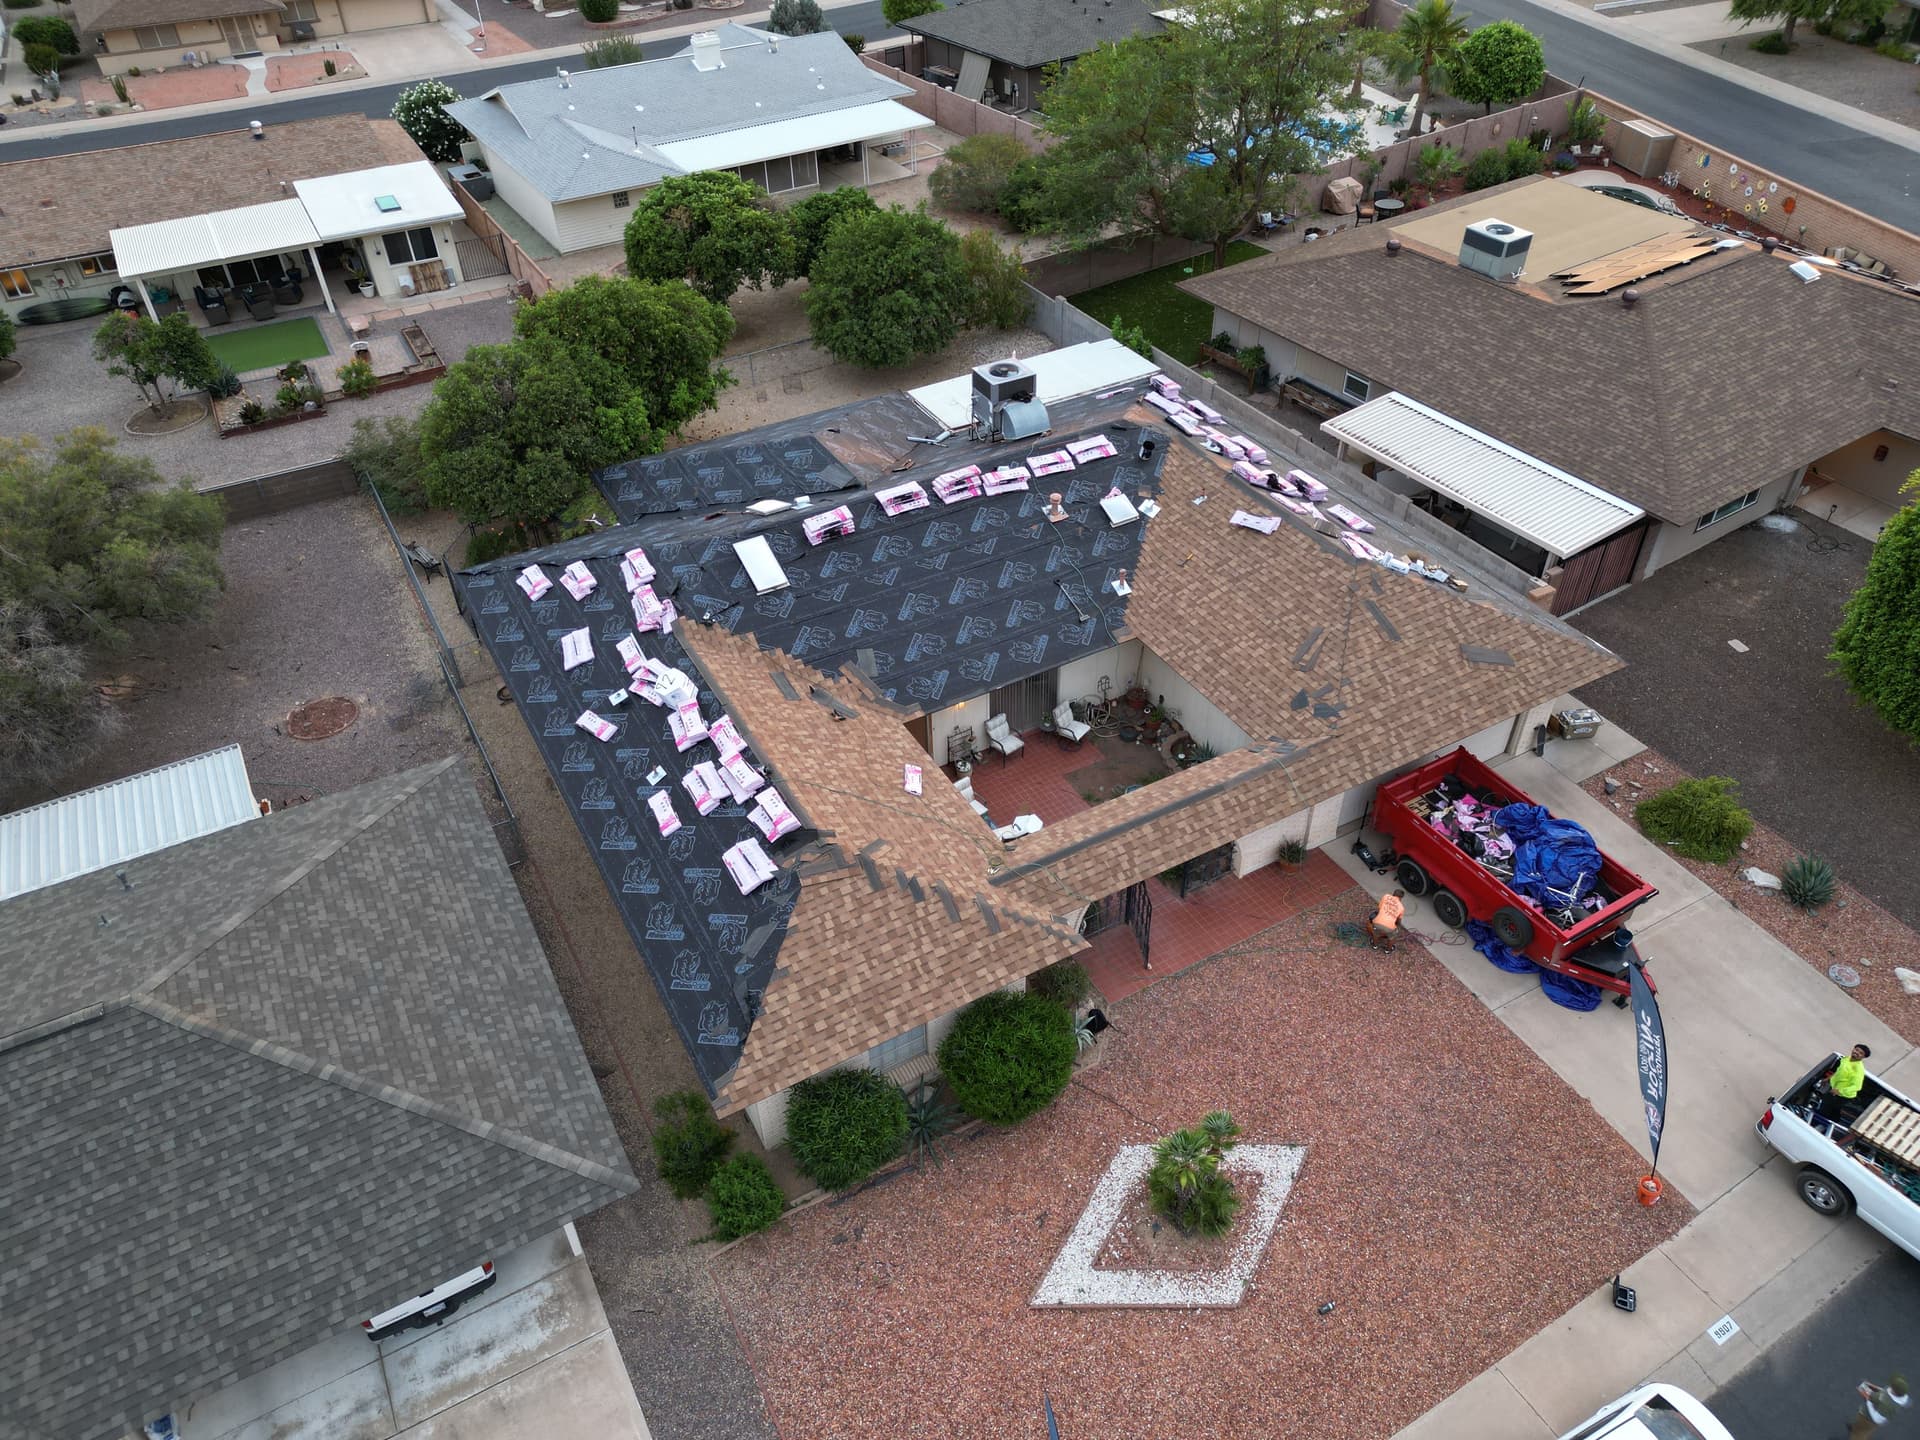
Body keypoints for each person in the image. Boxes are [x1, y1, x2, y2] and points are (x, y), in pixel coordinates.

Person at [1822, 1043, 1872, 1125]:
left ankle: (1823, 1124)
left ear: (1863, 1057)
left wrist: (1839, 1091)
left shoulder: (1858, 1069)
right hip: (1834, 1088)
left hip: (1843, 1095)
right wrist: (1828, 1079)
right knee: (1829, 1107)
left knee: (1827, 1108)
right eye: (1856, 1050)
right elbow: (1839, 1072)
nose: (1856, 1053)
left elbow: (1857, 1086)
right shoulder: (1846, 1059)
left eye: (1860, 1053)